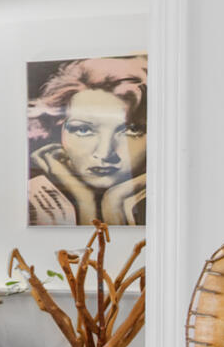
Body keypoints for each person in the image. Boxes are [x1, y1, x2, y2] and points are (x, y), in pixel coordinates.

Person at [27, 56, 146, 225]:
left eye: (130, 130)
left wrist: (114, 204)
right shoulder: (31, 200)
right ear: (59, 131)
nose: (104, 153)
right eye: (83, 130)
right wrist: (85, 202)